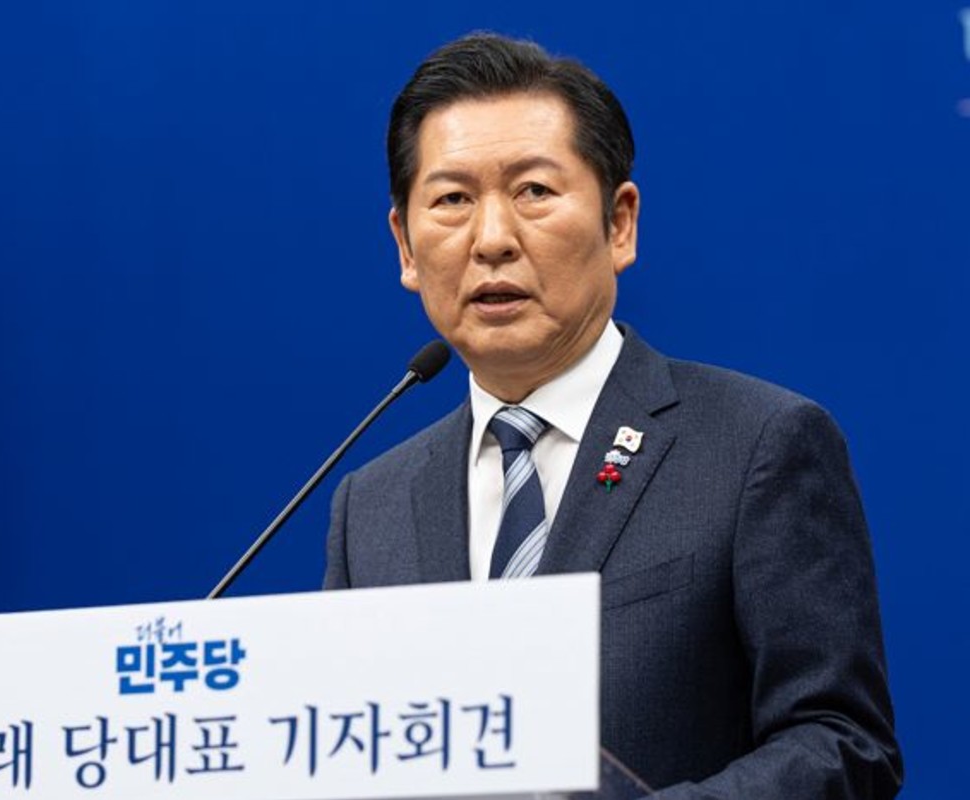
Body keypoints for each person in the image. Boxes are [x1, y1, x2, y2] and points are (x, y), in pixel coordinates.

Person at [323, 33, 902, 798]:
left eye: (534, 191)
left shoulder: (757, 445)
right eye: (453, 200)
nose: (492, 239)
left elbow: (843, 743)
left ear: (619, 222)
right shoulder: (370, 507)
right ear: (404, 243)